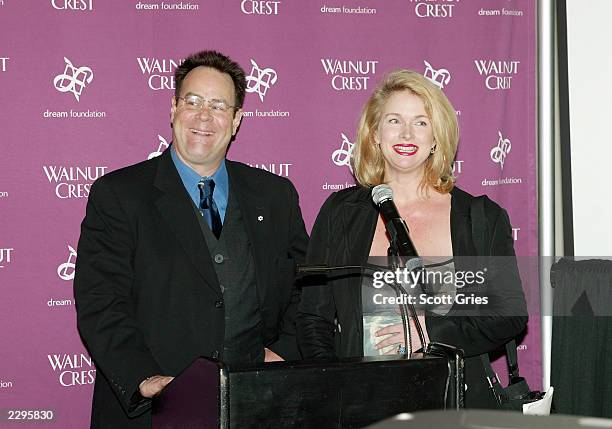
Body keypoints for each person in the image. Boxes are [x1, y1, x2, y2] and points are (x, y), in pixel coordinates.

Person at [74, 50, 308, 428]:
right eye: (193, 101)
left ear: (236, 121)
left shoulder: (276, 196)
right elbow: (100, 300)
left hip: (257, 407)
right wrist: (143, 378)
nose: (204, 116)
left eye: (218, 105)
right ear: (173, 108)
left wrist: (283, 353)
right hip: (155, 412)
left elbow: (307, 289)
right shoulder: (119, 195)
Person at [296, 69, 527, 408]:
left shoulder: (480, 217)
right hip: (364, 404)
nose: (406, 133)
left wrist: (429, 331)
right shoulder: (341, 212)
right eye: (394, 120)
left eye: (421, 122)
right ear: (375, 133)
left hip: (456, 404)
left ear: (437, 137)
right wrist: (333, 386)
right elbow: (313, 317)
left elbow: (510, 313)